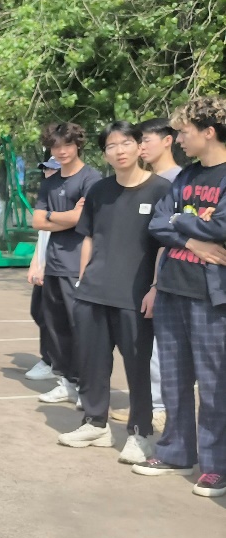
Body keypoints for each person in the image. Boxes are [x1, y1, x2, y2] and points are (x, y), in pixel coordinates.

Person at [58, 122, 170, 457]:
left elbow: (165, 245)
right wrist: (82, 281)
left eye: (125, 143)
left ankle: (140, 432)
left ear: (139, 146)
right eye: (110, 146)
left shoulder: (161, 189)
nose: (119, 151)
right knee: (92, 364)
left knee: (137, 367)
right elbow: (89, 237)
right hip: (93, 292)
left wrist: (155, 287)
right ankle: (95, 424)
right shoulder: (99, 190)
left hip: (135, 296)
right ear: (104, 153)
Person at [136, 96, 226, 497]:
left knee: (214, 384)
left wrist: (178, 219)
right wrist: (191, 237)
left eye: (184, 132)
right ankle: (175, 452)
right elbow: (157, 223)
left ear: (209, 132)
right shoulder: (185, 176)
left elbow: (222, 226)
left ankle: (216, 466)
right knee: (173, 379)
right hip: (172, 287)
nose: (179, 139)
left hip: (211, 297)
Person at [33, 122, 103, 406]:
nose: (61, 151)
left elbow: (83, 219)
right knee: (56, 328)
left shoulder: (92, 178)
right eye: (56, 146)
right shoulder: (49, 182)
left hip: (78, 264)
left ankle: (88, 388)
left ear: (78, 145)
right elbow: (37, 221)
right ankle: (68, 383)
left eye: (67, 145)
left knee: (81, 329)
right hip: (54, 263)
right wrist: (62, 217)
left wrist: (52, 217)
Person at [138, 116, 182, 434]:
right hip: (141, 275)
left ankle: (160, 409)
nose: (140, 147)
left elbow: (168, 239)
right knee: (143, 346)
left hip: (168, 277)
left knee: (161, 348)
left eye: (145, 140)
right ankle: (148, 404)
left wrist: (155, 283)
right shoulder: (143, 180)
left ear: (168, 140)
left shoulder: (179, 180)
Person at [24, 159, 61, 382]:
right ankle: (52, 359)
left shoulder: (69, 200)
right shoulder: (47, 198)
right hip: (45, 266)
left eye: (52, 169)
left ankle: (52, 361)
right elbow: (43, 235)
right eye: (46, 169)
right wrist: (35, 263)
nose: (47, 172)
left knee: (53, 317)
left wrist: (47, 266)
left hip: (59, 268)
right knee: (38, 311)